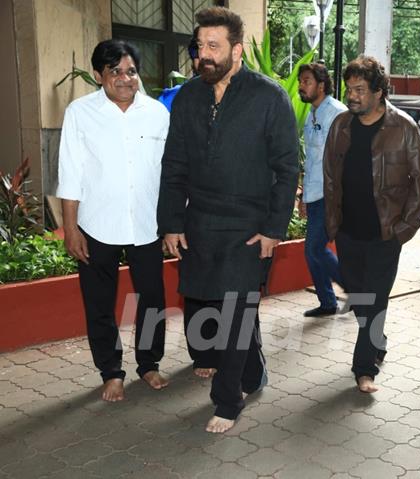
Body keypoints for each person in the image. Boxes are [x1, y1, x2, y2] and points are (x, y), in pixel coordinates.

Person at [157, 7, 298, 433]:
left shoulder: (268, 96)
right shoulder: (187, 98)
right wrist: (171, 222)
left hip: (249, 225)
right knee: (208, 303)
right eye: (199, 46)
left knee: (236, 311)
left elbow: (287, 168)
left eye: (213, 46)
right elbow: (174, 164)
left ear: (237, 50)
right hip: (199, 222)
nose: (204, 55)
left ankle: (228, 398)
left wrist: (275, 228)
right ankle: (253, 374)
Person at [56, 39, 170, 402]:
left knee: (152, 298)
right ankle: (111, 371)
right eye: (115, 71)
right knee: (99, 303)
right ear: (98, 75)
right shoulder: (79, 113)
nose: (125, 79)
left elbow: (170, 173)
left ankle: (149, 364)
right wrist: (70, 228)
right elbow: (70, 173)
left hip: (147, 226)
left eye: (131, 71)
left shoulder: (157, 114)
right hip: (97, 224)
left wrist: (173, 222)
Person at [323, 56, 420, 393]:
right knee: (360, 296)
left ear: (379, 92)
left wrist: (404, 229)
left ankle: (364, 368)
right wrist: (332, 224)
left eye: (359, 90)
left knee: (375, 300)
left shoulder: (405, 128)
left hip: (385, 233)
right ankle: (376, 339)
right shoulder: (340, 125)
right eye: (349, 89)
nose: (351, 96)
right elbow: (329, 177)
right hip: (348, 231)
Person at [298, 63, 347, 317]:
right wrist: (304, 197)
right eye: (300, 81)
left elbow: (342, 159)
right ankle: (328, 302)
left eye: (306, 81)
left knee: (314, 249)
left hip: (331, 194)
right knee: (313, 251)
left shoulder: (337, 113)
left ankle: (354, 292)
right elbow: (312, 160)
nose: (301, 86)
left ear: (321, 84)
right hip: (315, 193)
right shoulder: (312, 114)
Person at [158, 27, 200, 111]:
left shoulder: (232, 98)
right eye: (198, 50)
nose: (205, 56)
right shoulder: (172, 98)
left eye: (214, 47)